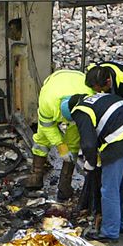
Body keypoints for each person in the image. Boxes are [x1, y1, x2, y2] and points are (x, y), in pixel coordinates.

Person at [67, 91, 123, 240]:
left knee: (110, 188)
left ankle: (110, 232)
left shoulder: (80, 110)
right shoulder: (99, 98)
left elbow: (88, 143)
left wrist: (90, 163)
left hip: (120, 138)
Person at [25, 69, 92, 201]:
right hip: (56, 80)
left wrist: (68, 150)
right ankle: (35, 176)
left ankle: (64, 187)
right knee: (42, 140)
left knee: (73, 144)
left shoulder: (87, 97)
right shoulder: (47, 101)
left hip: (79, 81)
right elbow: (47, 127)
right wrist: (61, 146)